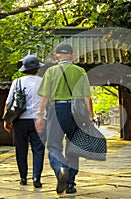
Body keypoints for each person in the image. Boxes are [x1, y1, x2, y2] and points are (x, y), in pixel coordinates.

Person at [35, 43, 93, 194]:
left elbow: (45, 97)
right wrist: (90, 116)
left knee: (54, 145)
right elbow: (87, 96)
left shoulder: (51, 71)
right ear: (72, 56)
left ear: (56, 56)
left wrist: (40, 115)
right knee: (73, 148)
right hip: (77, 111)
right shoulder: (80, 71)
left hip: (57, 109)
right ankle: (70, 184)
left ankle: (61, 168)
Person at [3, 55, 45, 188]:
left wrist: (6, 120)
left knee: (21, 149)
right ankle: (36, 178)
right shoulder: (44, 82)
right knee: (38, 149)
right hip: (39, 120)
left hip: (20, 120)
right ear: (38, 68)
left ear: (24, 69)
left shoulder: (17, 82)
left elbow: (8, 102)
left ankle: (23, 177)